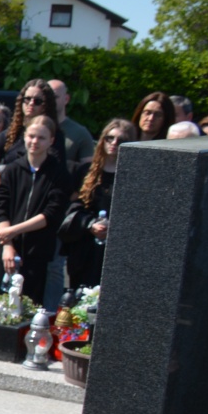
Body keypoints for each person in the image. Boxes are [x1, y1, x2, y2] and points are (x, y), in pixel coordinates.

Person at [0, 114, 71, 303]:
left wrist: (13, 230)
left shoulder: (59, 173)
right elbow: (0, 206)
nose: (35, 141)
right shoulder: (11, 170)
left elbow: (51, 214)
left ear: (51, 141)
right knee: (2, 303)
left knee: (30, 305)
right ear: (24, 137)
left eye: (41, 138)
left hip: (38, 251)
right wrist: (8, 244)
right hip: (8, 249)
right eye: (31, 136)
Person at [59, 119, 138, 289]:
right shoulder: (86, 171)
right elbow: (72, 207)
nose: (114, 143)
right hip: (85, 246)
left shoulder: (134, 176)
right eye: (110, 138)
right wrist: (90, 224)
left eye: (121, 140)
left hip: (115, 250)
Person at [0, 79, 63, 190]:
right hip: (5, 197)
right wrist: (15, 177)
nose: (31, 103)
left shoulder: (55, 136)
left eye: (37, 101)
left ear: (46, 105)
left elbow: (51, 178)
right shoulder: (7, 135)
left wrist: (7, 175)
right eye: (27, 99)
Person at [47, 79, 95, 164]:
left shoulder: (80, 133)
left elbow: (88, 170)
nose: (49, 100)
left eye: (54, 97)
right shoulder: (31, 128)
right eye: (46, 96)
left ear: (66, 99)